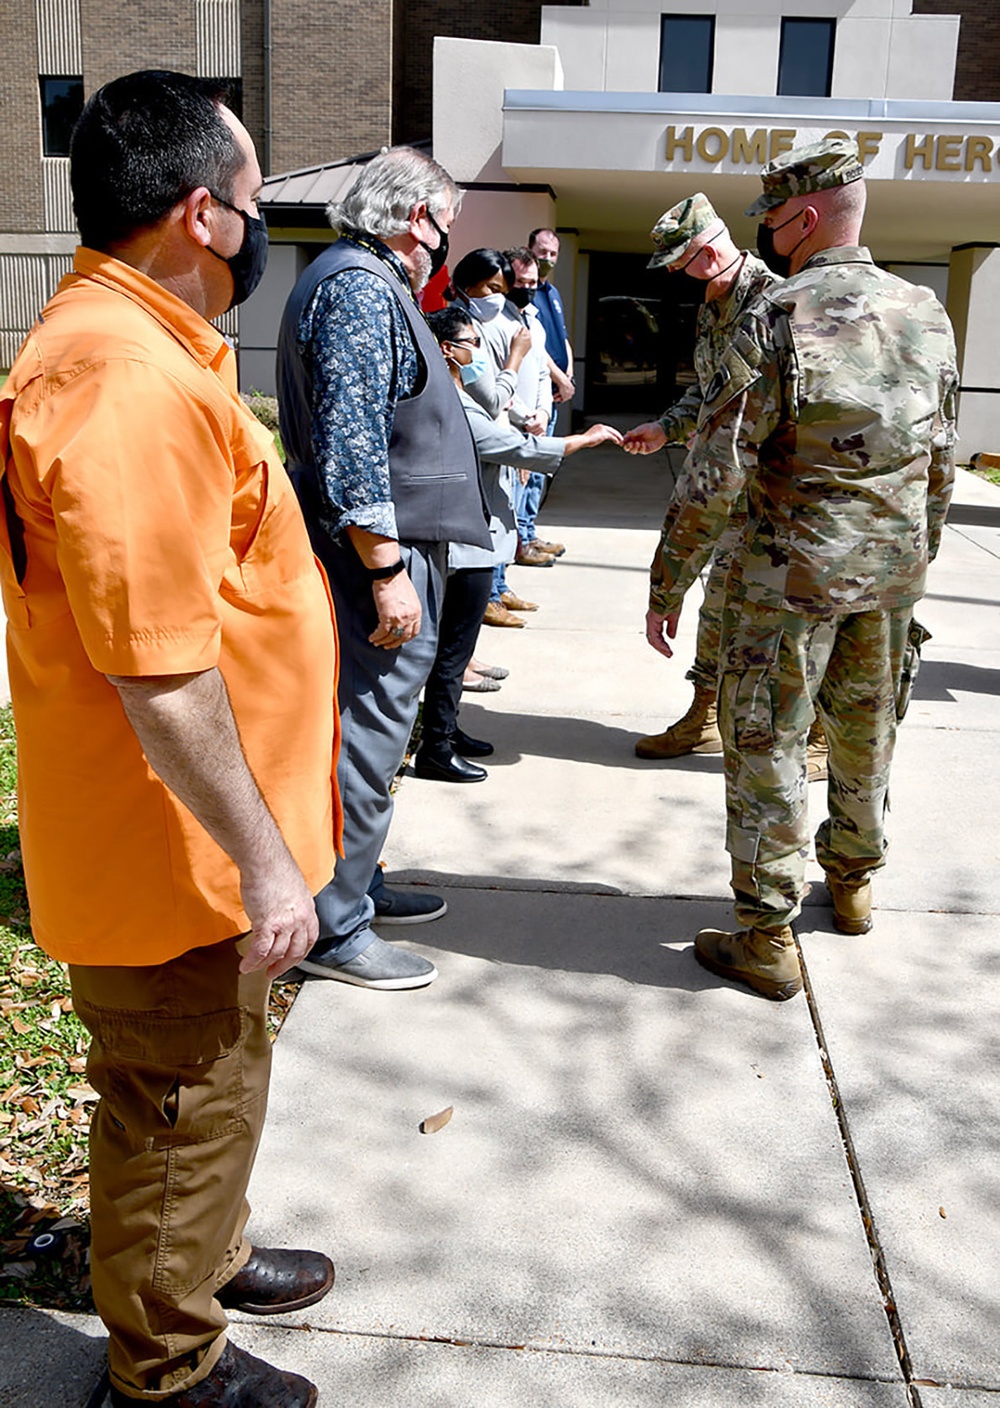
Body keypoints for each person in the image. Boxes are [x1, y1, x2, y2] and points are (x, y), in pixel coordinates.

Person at [0, 71, 338, 1406]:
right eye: (257, 200)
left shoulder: (141, 348)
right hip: (173, 852)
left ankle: (205, 1252)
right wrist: (264, 864)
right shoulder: (124, 374)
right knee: (176, 1101)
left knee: (207, 1089)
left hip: (190, 841)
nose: (260, 226)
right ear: (204, 214)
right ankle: (166, 1360)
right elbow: (160, 670)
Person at [644, 138, 957, 1002]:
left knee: (767, 745)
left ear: (804, 217)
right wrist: (916, 557)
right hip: (890, 575)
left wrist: (669, 580)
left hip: (790, 580)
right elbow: (941, 461)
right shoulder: (927, 313)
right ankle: (853, 886)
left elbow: (719, 469)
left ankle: (767, 934)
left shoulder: (777, 312)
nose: (768, 233)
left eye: (771, 217)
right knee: (867, 732)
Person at [278, 147, 492, 990]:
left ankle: (355, 882)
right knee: (367, 732)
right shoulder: (363, 289)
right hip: (377, 560)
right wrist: (386, 567)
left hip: (389, 552)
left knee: (376, 729)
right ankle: (335, 928)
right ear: (416, 218)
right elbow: (352, 439)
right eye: (446, 224)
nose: (446, 244)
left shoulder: (368, 283)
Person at [623, 195, 777, 756]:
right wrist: (667, 427)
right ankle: (705, 716)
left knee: (775, 621)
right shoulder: (715, 305)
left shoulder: (772, 306)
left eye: (677, 263)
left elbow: (746, 423)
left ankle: (812, 737)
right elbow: (710, 392)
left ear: (707, 253)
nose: (672, 275)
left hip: (769, 494)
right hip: (731, 496)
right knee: (718, 606)